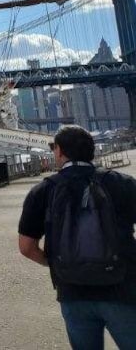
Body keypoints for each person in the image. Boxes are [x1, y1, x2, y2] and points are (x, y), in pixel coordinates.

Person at [18, 125, 136, 350]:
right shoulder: (122, 183)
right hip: (123, 287)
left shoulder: (43, 191)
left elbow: (26, 247)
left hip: (72, 290)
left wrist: (53, 262)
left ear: (59, 151)